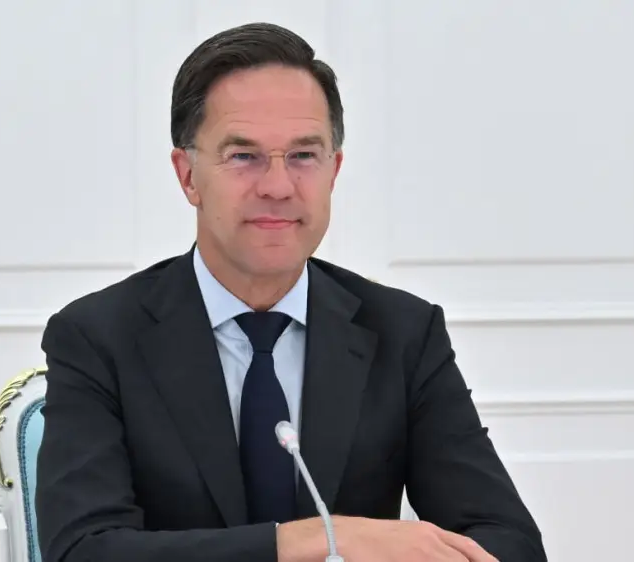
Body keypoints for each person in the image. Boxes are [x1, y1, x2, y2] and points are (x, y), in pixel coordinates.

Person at [34, 21, 547, 562]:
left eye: (304, 156)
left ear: (334, 170)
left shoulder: (404, 333)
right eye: (243, 156)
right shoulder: (98, 337)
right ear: (188, 176)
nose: (278, 187)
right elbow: (83, 550)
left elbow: (507, 541)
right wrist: (320, 539)